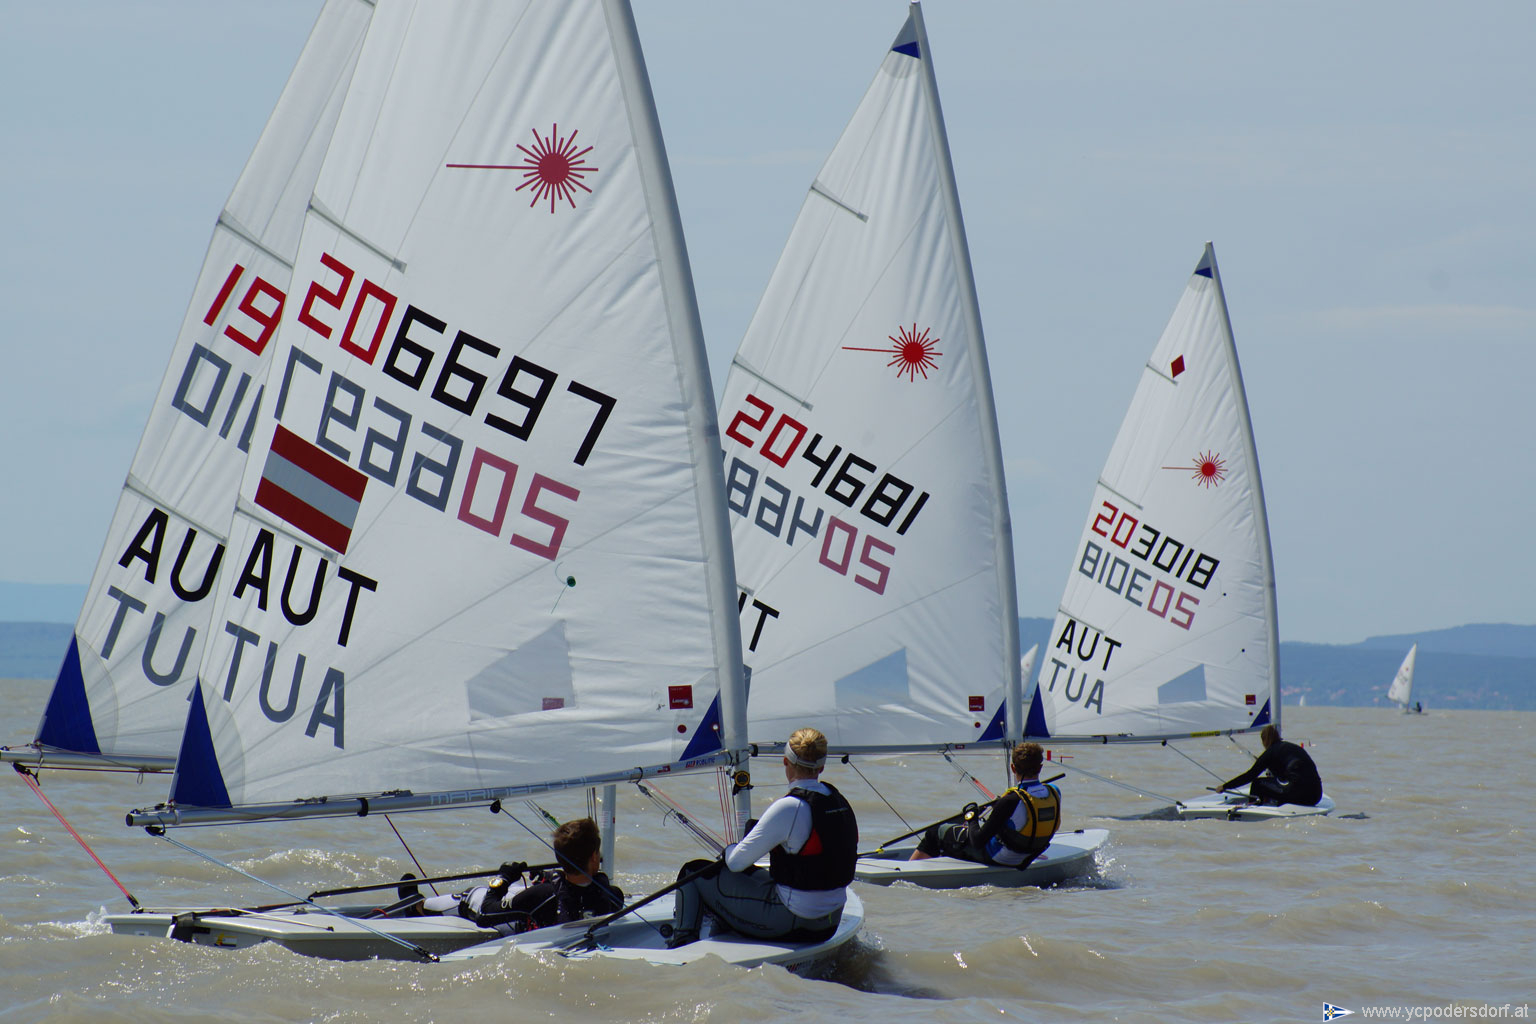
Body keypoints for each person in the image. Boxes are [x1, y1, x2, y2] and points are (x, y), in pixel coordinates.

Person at [667, 727, 857, 949]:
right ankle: (725, 929)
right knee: (753, 874)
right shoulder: (837, 799)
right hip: (829, 923)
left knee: (692, 873)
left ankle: (682, 945)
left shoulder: (789, 807)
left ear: (785, 761)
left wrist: (730, 849)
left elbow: (736, 863)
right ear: (822, 767)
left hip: (794, 925)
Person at [416, 817, 622, 933]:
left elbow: (485, 915)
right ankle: (417, 903)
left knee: (470, 896)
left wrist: (503, 878)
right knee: (517, 891)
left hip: (518, 920)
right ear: (594, 857)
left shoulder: (543, 895)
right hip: (535, 904)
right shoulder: (611, 896)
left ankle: (416, 905)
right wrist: (549, 876)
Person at [909, 741, 1060, 869]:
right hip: (1029, 854)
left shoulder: (1010, 801)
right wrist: (1000, 809)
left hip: (1000, 858)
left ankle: (910, 871)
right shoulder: (1054, 792)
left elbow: (978, 842)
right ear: (1040, 767)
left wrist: (971, 817)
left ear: (1013, 768)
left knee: (935, 833)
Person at [1217, 724, 1322, 807]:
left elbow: (1250, 775)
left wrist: (1225, 786)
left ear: (1264, 741)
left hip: (1299, 795)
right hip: (1315, 796)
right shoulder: (1292, 747)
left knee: (1257, 783)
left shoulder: (1270, 753)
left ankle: (1253, 806)